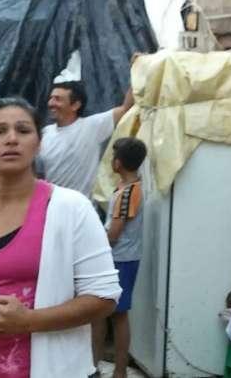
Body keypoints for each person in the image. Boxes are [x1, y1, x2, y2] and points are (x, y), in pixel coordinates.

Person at [0, 97, 120, 377]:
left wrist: (29, 321)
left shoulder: (71, 208)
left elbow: (104, 296)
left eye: (23, 130)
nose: (12, 139)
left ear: (38, 143)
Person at [92, 137, 146, 378]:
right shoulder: (128, 188)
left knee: (118, 314)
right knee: (102, 313)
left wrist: (96, 249)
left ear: (118, 162)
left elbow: (114, 232)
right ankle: (94, 366)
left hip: (120, 259)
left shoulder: (128, 192)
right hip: (120, 258)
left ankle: (119, 371)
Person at [37, 81, 135, 199]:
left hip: (82, 206)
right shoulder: (45, 133)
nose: (51, 103)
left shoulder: (91, 127)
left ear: (75, 105)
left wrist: (138, 74)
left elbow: (125, 109)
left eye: (57, 99)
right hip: (51, 204)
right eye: (51, 98)